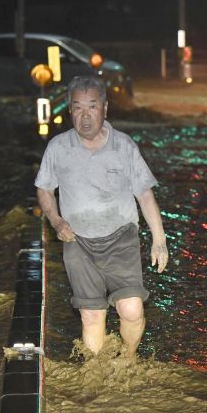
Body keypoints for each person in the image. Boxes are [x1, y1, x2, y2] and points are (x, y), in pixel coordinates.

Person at [35, 75, 168, 359]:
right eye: (78, 108)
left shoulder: (124, 146)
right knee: (92, 316)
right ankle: (96, 376)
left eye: (92, 107)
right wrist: (57, 221)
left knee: (131, 309)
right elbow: (44, 189)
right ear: (70, 111)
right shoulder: (58, 148)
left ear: (105, 109)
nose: (85, 115)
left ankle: (128, 359)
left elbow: (145, 195)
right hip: (78, 241)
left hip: (121, 238)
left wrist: (159, 239)